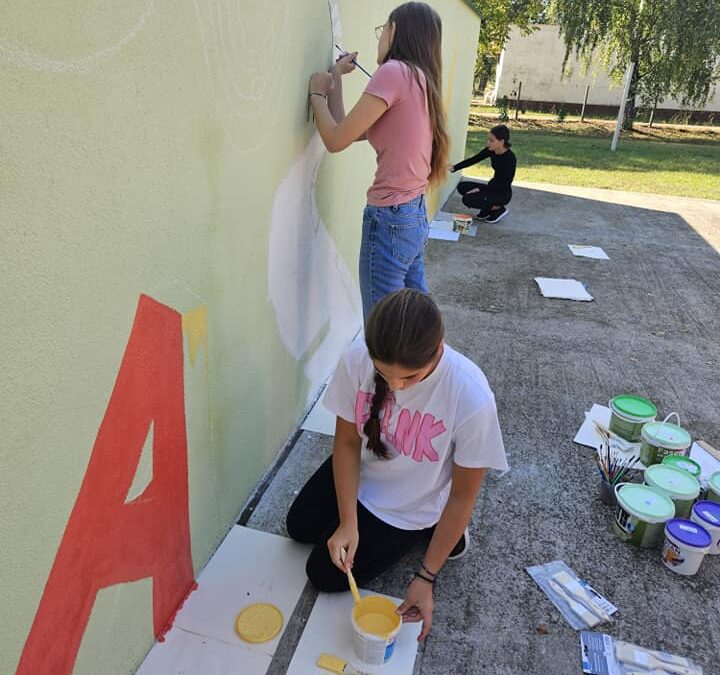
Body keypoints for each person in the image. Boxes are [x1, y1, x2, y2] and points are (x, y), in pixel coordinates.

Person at [286, 289, 508, 641]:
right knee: (298, 526)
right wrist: (348, 522)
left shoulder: (470, 396)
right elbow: (346, 442)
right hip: (365, 470)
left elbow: (463, 497)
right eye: (384, 374)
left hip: (411, 503)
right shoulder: (356, 359)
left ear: (439, 349)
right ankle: (368, 524)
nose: (395, 387)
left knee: (322, 574)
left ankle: (431, 531)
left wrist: (426, 577)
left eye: (409, 378)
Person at [307, 2, 450, 320]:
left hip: (389, 219)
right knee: (415, 322)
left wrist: (316, 94)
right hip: (412, 215)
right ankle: (429, 370)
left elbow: (334, 140)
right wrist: (335, 77)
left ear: (394, 31)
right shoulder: (421, 80)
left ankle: (387, 373)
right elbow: (344, 126)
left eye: (381, 29)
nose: (379, 38)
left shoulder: (394, 72)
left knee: (382, 327)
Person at [449, 124, 516, 223]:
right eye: (488, 139)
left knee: (467, 199)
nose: (488, 143)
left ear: (501, 142)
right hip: (492, 186)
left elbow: (503, 184)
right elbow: (473, 159)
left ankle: (498, 209)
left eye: (492, 141)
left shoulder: (509, 159)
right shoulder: (491, 150)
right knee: (462, 187)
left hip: (502, 193)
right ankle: (487, 208)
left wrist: (480, 189)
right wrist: (454, 167)